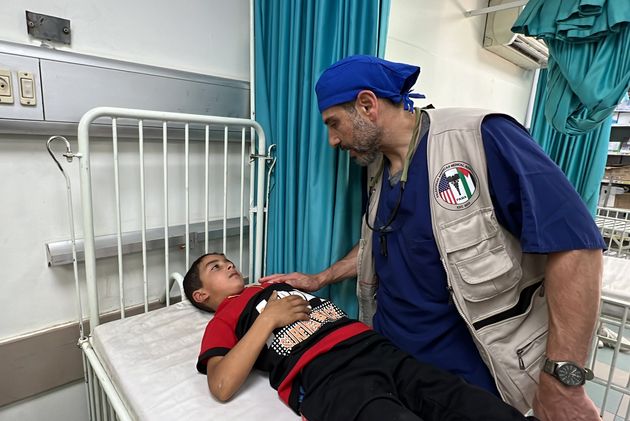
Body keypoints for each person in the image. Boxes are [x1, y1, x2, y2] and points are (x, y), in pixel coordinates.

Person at [260, 55, 605, 421]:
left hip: (472, 379)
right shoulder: (377, 171)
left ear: (367, 105)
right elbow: (381, 245)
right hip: (396, 367)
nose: (331, 141)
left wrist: (564, 378)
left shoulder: (480, 139)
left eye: (334, 123)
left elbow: (576, 245)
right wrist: (320, 279)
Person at [184, 252, 535, 421]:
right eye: (215, 267)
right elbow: (222, 385)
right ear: (202, 296)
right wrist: (267, 320)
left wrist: (311, 281)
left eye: (227, 260)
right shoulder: (225, 317)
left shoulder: (270, 284)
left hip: (376, 349)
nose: (229, 264)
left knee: (467, 403)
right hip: (329, 377)